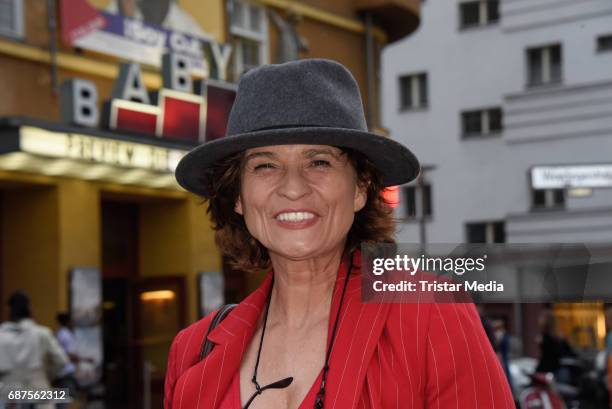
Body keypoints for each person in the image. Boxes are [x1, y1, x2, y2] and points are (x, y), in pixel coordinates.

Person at [164, 58, 515, 408]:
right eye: (265, 165)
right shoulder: (193, 350)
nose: (293, 188)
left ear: (360, 188)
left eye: (319, 161)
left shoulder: (429, 313)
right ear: (238, 196)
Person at [0, 291, 69, 409]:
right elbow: (61, 360)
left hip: (10, 397)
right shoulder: (42, 333)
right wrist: (46, 375)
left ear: (8, 309)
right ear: (29, 308)